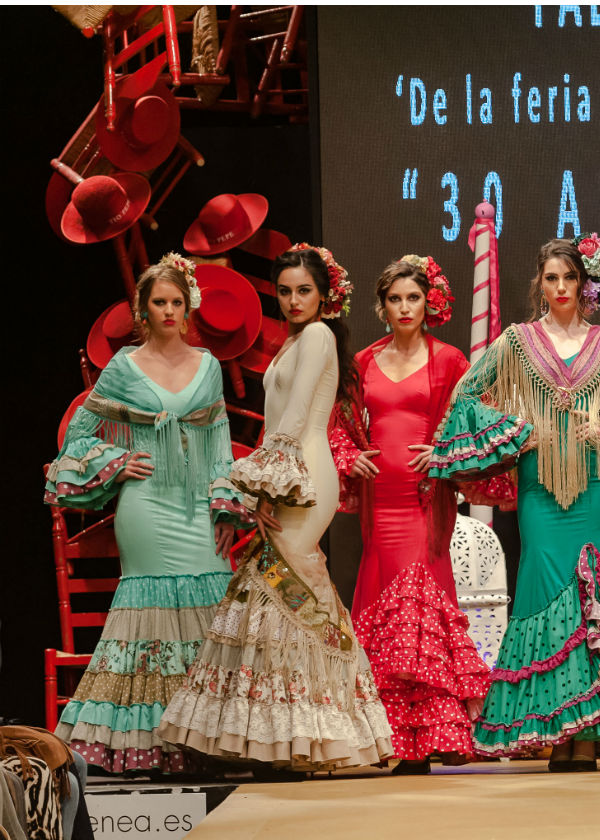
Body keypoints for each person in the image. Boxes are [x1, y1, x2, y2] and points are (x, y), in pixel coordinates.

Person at [429, 235, 600, 771]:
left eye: (569, 278)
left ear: (584, 283)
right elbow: (466, 394)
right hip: (541, 490)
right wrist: (513, 433)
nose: (560, 288)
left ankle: (589, 738)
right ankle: (557, 731)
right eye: (551, 278)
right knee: (546, 591)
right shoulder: (516, 341)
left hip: (599, 486)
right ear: (540, 283)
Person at [157, 245, 393, 770]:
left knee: (284, 590)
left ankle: (314, 731)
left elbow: (295, 417)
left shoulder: (318, 335)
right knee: (279, 589)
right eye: (284, 292)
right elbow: (278, 420)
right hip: (288, 473)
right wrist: (260, 489)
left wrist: (266, 489)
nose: (293, 300)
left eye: (303, 290)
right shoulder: (294, 340)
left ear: (324, 295)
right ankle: (289, 733)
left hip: (304, 476)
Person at [46, 255, 252, 773]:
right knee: (149, 618)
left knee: (211, 611)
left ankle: (208, 741)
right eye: (159, 302)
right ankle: (154, 745)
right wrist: (117, 462)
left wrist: (224, 505)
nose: (168, 310)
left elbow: (220, 442)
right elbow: (78, 434)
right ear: (143, 309)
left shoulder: (208, 365)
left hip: (198, 507)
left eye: (176, 301)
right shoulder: (123, 367)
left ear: (188, 307)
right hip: (146, 508)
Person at [330, 255, 507, 774]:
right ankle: (391, 739)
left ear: (429, 304)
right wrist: (348, 456)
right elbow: (336, 424)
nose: (405, 307)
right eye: (395, 299)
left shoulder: (449, 360)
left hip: (424, 501)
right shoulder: (363, 361)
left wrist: (444, 452)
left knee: (418, 603)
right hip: (378, 501)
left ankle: (427, 738)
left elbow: (478, 420)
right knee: (382, 601)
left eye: (414, 298)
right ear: (382, 306)